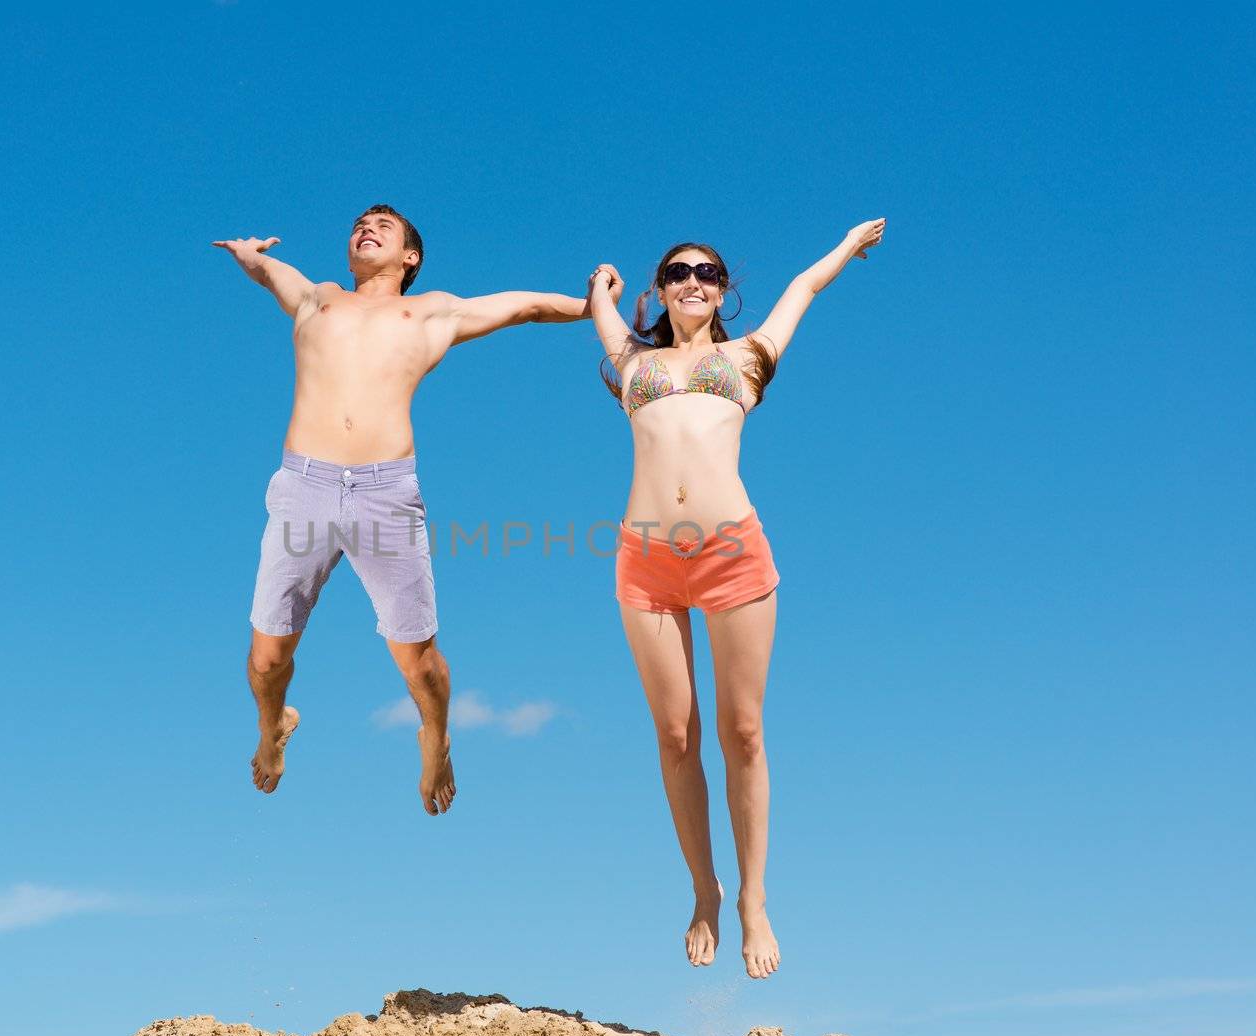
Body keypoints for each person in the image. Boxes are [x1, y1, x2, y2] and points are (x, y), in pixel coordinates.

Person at [213, 204, 590, 816]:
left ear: (410, 256)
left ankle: (436, 735)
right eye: (360, 224)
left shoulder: (433, 309)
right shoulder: (318, 298)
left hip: (384, 493)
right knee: (265, 659)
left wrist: (595, 303)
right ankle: (274, 722)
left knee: (419, 662)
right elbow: (266, 273)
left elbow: (525, 306)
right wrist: (252, 255)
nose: (367, 229)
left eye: (384, 227)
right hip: (304, 486)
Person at [585, 218, 886, 976]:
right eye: (678, 272)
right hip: (645, 562)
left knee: (742, 733)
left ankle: (754, 898)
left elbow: (803, 288)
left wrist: (845, 248)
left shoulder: (747, 357)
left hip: (731, 554)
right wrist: (604, 287)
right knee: (675, 737)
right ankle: (704, 891)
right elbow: (601, 309)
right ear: (661, 289)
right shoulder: (630, 361)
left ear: (723, 290)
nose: (693, 280)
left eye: (708, 272)